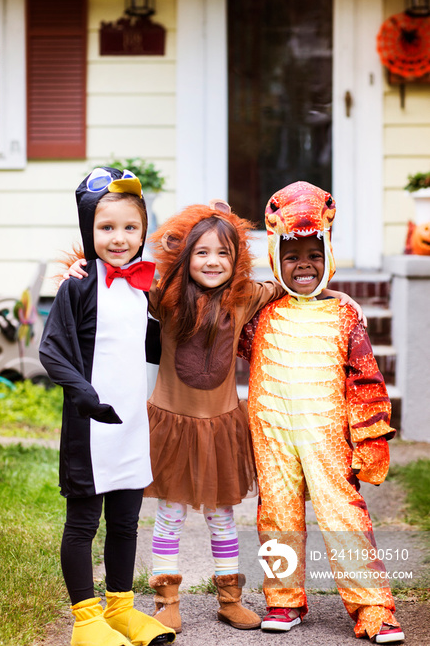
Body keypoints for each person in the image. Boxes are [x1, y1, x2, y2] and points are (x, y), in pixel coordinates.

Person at [66, 198, 365, 634]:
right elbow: (117, 275)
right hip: (172, 424)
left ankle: (229, 598)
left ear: (237, 259)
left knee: (223, 517)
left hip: (222, 426)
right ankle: (166, 599)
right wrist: (80, 268)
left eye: (223, 253)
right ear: (185, 257)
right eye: (201, 252)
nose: (212, 262)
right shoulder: (163, 296)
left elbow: (289, 284)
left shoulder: (244, 298)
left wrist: (329, 293)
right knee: (169, 515)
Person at [246, 181, 404, 644]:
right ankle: (284, 600)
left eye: (315, 255)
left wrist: (371, 438)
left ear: (329, 256)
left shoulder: (344, 315)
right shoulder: (259, 313)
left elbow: (366, 379)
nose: (304, 265)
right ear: (275, 257)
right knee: (276, 513)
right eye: (292, 256)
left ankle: (373, 606)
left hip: (327, 435)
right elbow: (210, 292)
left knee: (344, 515)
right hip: (273, 434)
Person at [39, 167, 175, 646]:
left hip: (132, 425)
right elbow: (52, 350)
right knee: (83, 523)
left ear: (143, 231)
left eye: (130, 228)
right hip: (90, 428)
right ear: (88, 229)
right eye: (106, 228)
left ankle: (120, 609)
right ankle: (86, 620)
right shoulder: (77, 286)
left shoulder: (141, 285)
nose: (119, 238)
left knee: (124, 521)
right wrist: (85, 396)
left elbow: (150, 343)